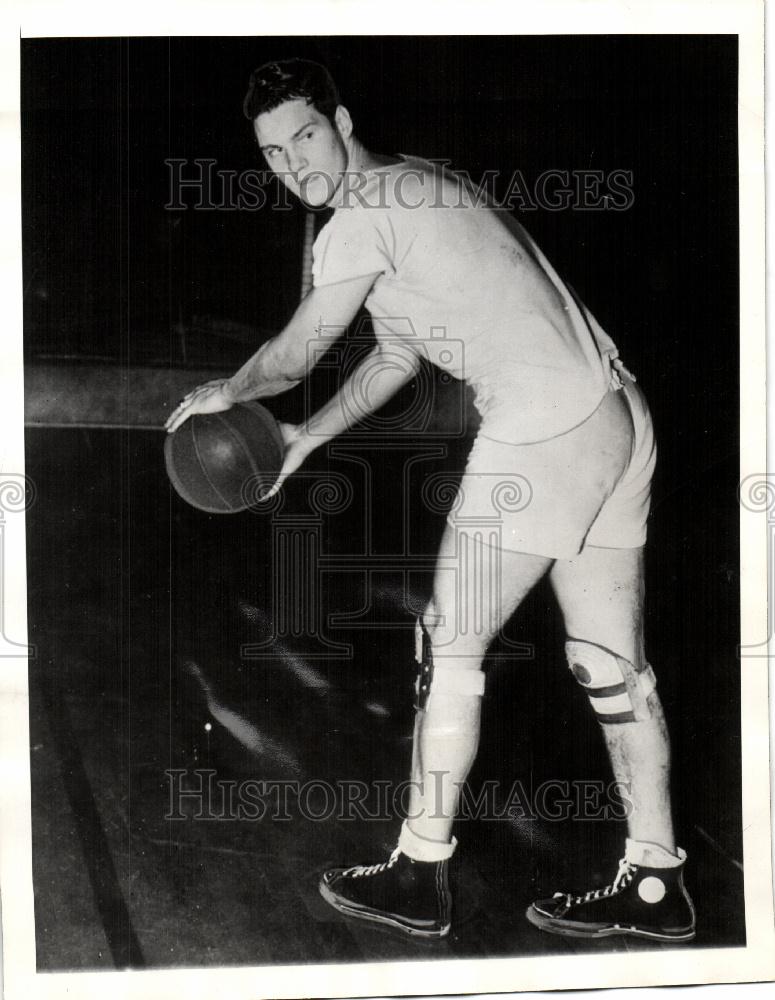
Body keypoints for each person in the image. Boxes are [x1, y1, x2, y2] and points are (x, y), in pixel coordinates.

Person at [165, 58, 696, 943]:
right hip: (615, 417)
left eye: (304, 135)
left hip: (545, 426)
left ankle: (419, 869)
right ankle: (654, 879)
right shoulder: (418, 187)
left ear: (339, 118)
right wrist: (298, 439)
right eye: (272, 153)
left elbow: (295, 356)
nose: (294, 162)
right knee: (610, 667)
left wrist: (231, 388)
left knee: (447, 647)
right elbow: (393, 358)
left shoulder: (359, 217)